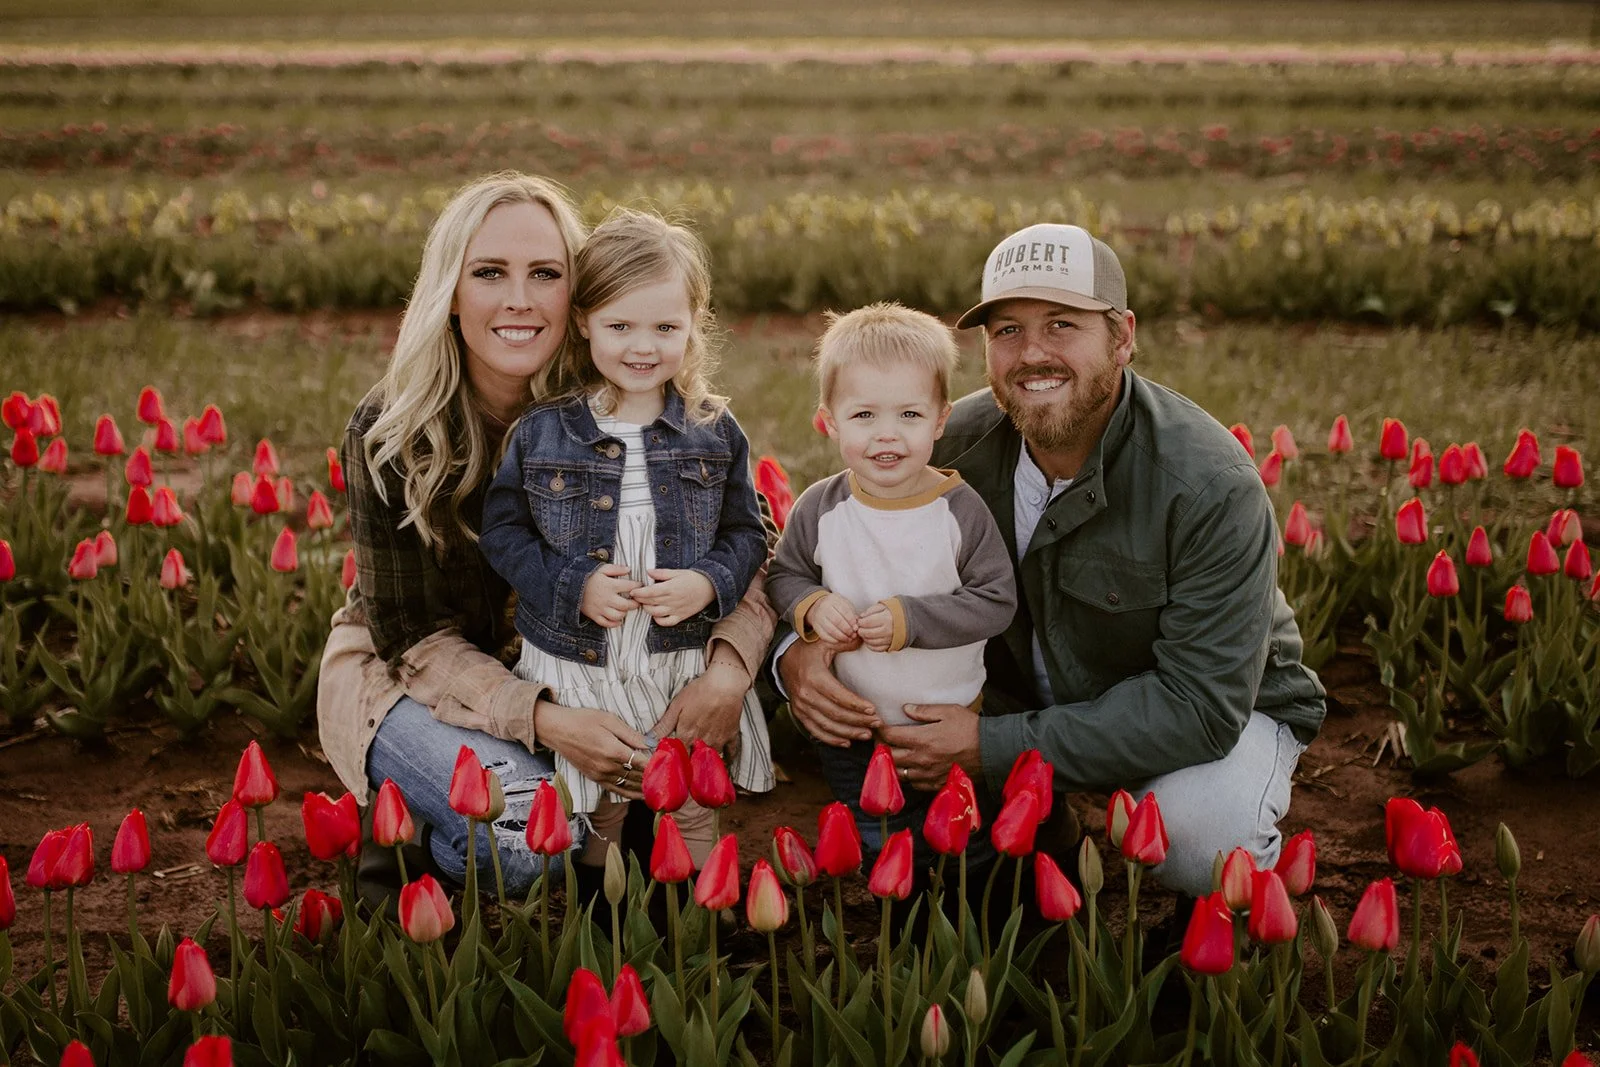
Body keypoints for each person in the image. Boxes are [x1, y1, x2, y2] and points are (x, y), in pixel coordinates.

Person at [778, 223, 1326, 897]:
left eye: (1062, 324)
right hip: (1022, 695)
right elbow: (830, 549)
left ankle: (1207, 941)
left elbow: (1200, 707)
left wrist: (994, 746)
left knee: (1199, 842)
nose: (1032, 353)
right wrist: (797, 653)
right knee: (882, 719)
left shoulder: (1207, 484)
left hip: (1211, 710)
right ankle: (1043, 841)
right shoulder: (948, 445)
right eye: (1007, 330)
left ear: (1123, 336)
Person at [317, 175, 776, 898]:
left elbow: (753, 543)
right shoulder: (393, 430)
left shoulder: (625, 390)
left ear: (581, 297)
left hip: (588, 669)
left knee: (652, 812)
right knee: (536, 838)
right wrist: (547, 720)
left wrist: (728, 670)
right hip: (413, 677)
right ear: (451, 289)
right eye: (490, 273)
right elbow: (411, 636)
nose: (519, 300)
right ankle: (405, 841)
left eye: (546, 274)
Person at [479, 208, 774, 872]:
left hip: (679, 650)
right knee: (601, 795)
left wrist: (707, 583)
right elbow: (503, 531)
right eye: (620, 326)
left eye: (666, 327)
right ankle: (606, 921)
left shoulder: (714, 430)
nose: (643, 347)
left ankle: (702, 913)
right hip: (586, 652)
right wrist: (571, 583)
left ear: (694, 323)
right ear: (583, 322)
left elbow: (745, 531)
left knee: (693, 791)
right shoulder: (543, 432)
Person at [766, 303, 1015, 850]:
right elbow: (783, 576)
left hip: (945, 721)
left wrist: (911, 619)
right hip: (852, 728)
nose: (887, 436)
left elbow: (997, 601)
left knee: (960, 844)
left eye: (909, 415)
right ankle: (897, 926)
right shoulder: (821, 509)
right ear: (829, 421)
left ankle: (960, 922)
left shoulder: (959, 511)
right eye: (864, 416)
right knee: (879, 842)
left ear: (941, 419)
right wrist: (809, 604)